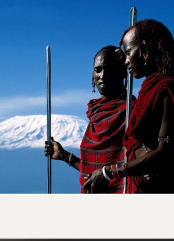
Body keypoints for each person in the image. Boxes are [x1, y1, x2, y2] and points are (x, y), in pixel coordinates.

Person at [82, 19, 174, 193]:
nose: (126, 61)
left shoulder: (167, 89)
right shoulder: (150, 89)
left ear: (145, 50)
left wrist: (109, 172)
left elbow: (164, 154)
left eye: (128, 53)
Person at [44, 45, 133, 193]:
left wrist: (107, 174)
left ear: (122, 73)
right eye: (98, 70)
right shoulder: (95, 113)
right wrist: (64, 156)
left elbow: (141, 164)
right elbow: (93, 172)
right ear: (93, 75)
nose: (103, 76)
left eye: (109, 69)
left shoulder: (132, 111)